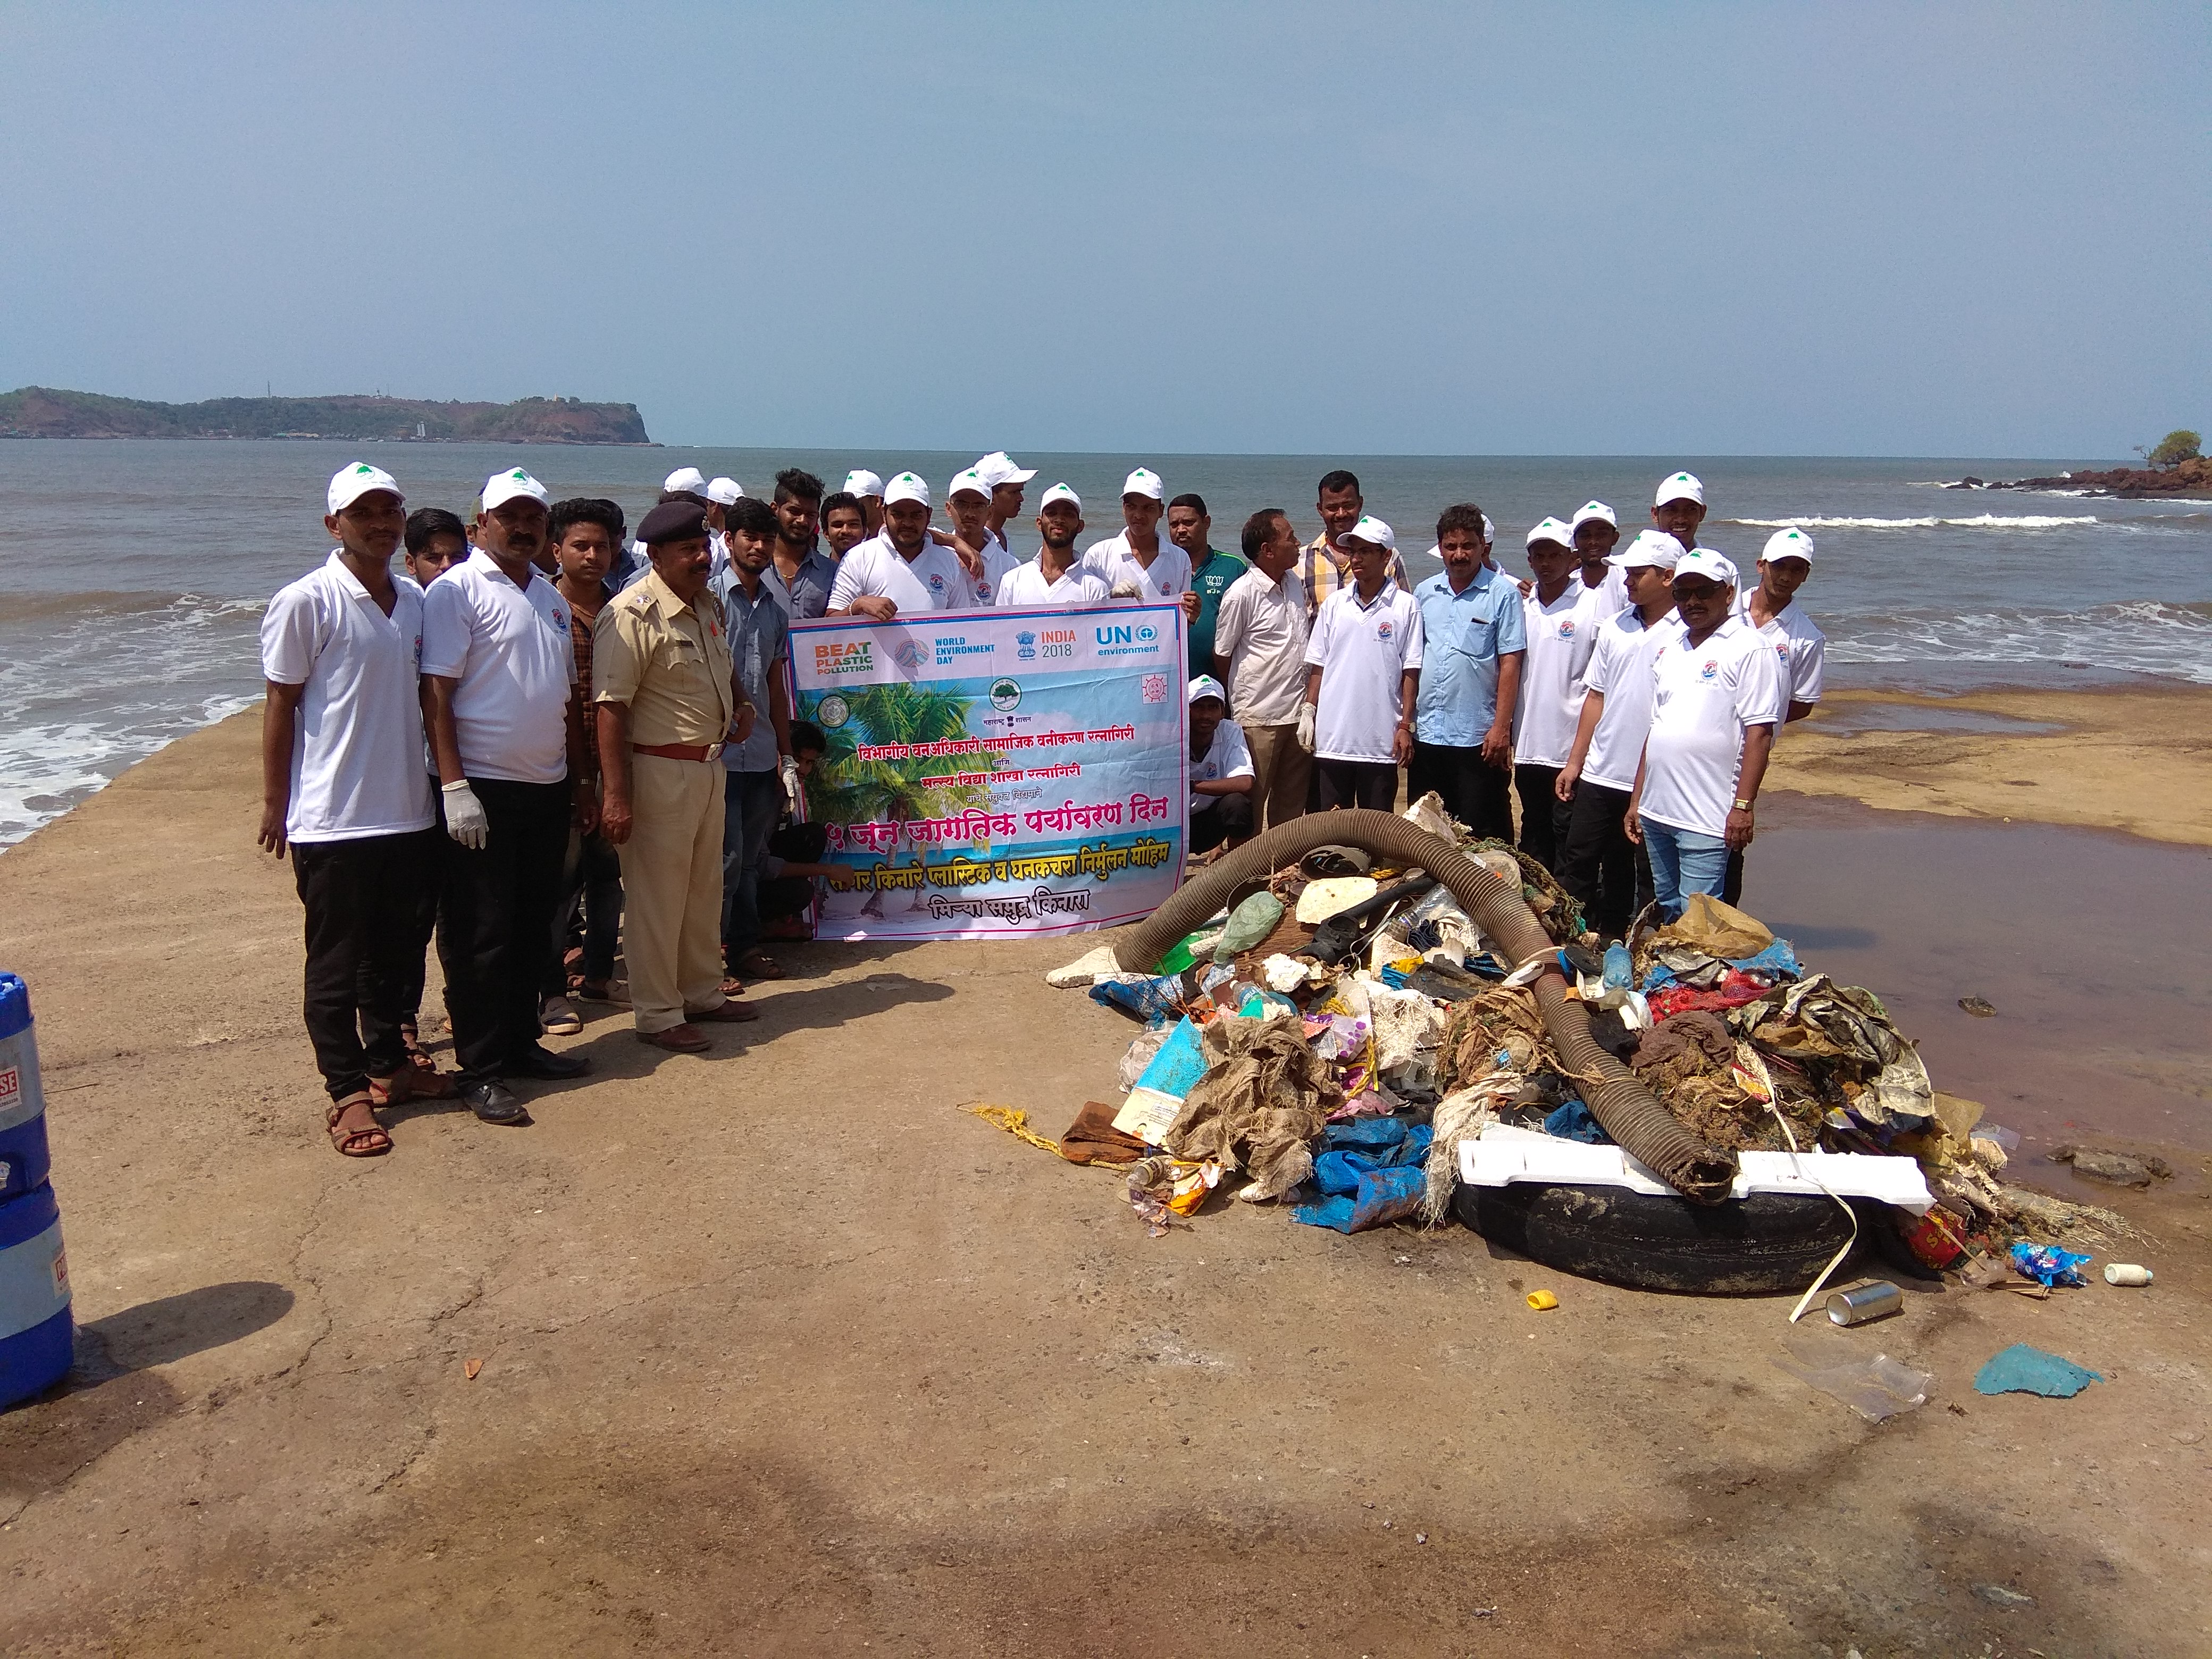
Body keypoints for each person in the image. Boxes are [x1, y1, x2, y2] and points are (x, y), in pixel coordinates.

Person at [258, 463, 447, 1158]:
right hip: (333, 819)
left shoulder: (415, 603)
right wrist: (277, 801)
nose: (380, 522)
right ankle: (346, 1093)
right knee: (335, 968)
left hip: (406, 811)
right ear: (333, 524)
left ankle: (390, 1066)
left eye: (390, 510)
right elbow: (280, 703)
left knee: (396, 961)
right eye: (364, 512)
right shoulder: (307, 600)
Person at [420, 467, 597, 1127]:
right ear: (483, 523)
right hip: (483, 790)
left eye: (534, 519)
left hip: (545, 787)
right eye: (509, 516)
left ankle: (521, 1044)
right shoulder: (457, 591)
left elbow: (564, 700)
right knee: (480, 935)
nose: (523, 528)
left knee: (532, 928)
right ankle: (480, 1067)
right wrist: (455, 785)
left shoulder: (550, 599)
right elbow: (435, 692)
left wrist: (580, 782)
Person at [593, 499, 761, 1053]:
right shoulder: (630, 614)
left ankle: (701, 992)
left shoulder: (704, 603)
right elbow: (610, 707)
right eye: (687, 549)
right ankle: (659, 1013)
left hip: (708, 767)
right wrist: (616, 796)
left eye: (703, 546)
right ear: (656, 555)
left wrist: (739, 704)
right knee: (656, 899)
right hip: (657, 771)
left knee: (700, 890)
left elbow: (723, 664)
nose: (700, 556)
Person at [1627, 550, 1787, 919]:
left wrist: (1743, 807)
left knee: (1699, 917)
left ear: (1728, 593)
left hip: (1707, 816)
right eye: (1684, 593)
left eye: (1705, 591)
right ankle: (1672, 977)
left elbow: (1760, 734)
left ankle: (1699, 978)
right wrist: (1638, 800)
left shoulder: (1751, 648)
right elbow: (1656, 729)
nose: (1693, 602)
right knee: (1666, 909)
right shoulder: (1671, 648)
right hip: (1657, 811)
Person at [1555, 530, 1684, 939]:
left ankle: (1631, 942)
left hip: (1653, 776)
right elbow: (1597, 696)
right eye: (1626, 574)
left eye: (1637, 574)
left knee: (1641, 870)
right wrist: (1575, 762)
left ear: (1667, 577)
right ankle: (1570, 937)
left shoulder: (1687, 632)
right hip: (1602, 768)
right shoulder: (1615, 626)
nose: (1627, 582)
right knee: (1579, 858)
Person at [540, 499, 627, 1036]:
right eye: (581, 546)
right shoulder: (541, 610)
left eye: (602, 546)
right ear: (557, 550)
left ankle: (598, 974)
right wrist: (579, 781)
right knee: (559, 888)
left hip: (616, 768)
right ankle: (550, 992)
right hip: (560, 769)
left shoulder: (623, 612)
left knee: (609, 881)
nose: (593, 556)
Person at [389, 506, 470, 1071]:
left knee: (460, 911)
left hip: (462, 777)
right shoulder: (403, 609)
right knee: (410, 917)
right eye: (431, 557)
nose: (444, 566)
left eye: (453, 556)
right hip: (411, 781)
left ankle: (464, 1012)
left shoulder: (465, 603)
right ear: (410, 561)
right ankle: (400, 1023)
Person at [713, 496, 798, 987]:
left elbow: (773, 686)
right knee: (721, 861)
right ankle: (711, 955)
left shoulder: (775, 605)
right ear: (729, 540)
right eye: (750, 537)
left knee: (747, 861)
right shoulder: (707, 597)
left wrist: (785, 754)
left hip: (761, 752)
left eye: (767, 538)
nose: (760, 546)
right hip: (716, 752)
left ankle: (743, 947)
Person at [1722, 525, 1826, 907]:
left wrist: (1761, 721)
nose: (1786, 576)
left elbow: (1802, 702)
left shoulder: (1806, 636)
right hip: (1693, 738)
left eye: (1796, 569)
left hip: (1745, 752)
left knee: (1728, 833)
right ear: (1761, 565)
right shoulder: (1726, 607)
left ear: (1806, 575)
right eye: (1779, 566)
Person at [1409, 503, 1525, 840]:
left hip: (1477, 736)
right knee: (1427, 832)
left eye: (1468, 546)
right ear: (1441, 548)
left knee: (1481, 834)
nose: (1459, 554)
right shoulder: (1425, 592)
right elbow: (1413, 660)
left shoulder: (1502, 594)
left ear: (1483, 547)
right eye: (1451, 546)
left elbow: (1511, 662)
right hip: (1428, 733)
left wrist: (1501, 727)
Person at [1301, 516, 1422, 811]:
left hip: (1380, 740)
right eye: (1353, 552)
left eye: (1366, 552)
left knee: (1376, 827)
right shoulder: (1335, 604)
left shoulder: (1406, 605)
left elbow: (1411, 670)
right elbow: (1318, 664)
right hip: (1333, 738)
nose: (1356, 559)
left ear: (1386, 556)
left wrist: (1406, 725)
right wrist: (1309, 710)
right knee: (1330, 825)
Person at [1211, 508, 1311, 831]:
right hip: (1258, 718)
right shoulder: (1241, 594)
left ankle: (1283, 871)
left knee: (1291, 808)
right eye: (1290, 537)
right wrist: (1238, 703)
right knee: (1253, 807)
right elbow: (1222, 653)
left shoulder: (1294, 582)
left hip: (1298, 714)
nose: (1298, 543)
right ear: (1267, 550)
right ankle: (1249, 875)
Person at [1512, 517, 1600, 873]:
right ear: (1530, 561)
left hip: (1569, 749)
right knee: (1534, 835)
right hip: (1528, 747)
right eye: (1539, 556)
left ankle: (1576, 917)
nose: (1546, 563)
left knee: (1570, 839)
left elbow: (1600, 684)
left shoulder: (1592, 606)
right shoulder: (1521, 607)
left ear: (1572, 559)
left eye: (1555, 555)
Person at [826, 473, 965, 617]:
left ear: (929, 515)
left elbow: (966, 625)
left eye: (916, 515)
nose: (907, 523)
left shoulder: (949, 560)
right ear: (884, 513)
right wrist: (857, 606)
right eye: (898, 515)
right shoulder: (858, 557)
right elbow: (830, 622)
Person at [1298, 470, 1409, 622]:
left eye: (1348, 505)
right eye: (1332, 508)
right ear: (1320, 509)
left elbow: (1404, 613)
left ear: (1360, 504)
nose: (1341, 514)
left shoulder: (1387, 556)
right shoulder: (1300, 561)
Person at [1081, 468, 1192, 605]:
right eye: (1132, 507)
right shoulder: (1098, 556)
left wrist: (1191, 615)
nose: (1138, 515)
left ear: (1161, 511)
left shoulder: (1180, 559)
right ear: (1123, 508)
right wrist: (1109, 598)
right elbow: (1085, 617)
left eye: (1148, 508)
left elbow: (1181, 618)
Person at [995, 484, 1112, 605]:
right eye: (1052, 513)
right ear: (1039, 523)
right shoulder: (1012, 582)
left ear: (1080, 526)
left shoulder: (1095, 590)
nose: (1059, 520)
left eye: (1068, 514)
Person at [1170, 494, 1247, 673]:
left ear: (1206, 523)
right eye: (1174, 525)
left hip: (1220, 682)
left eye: (1188, 523)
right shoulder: (1160, 568)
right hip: (1172, 680)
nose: (1181, 529)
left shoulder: (1233, 567)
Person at [1185, 675, 1255, 855]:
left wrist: (1192, 786)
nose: (1206, 715)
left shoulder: (1231, 730)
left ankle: (1240, 873)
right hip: (1174, 825)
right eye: (1199, 707)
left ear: (1222, 711)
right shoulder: (1171, 733)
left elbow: (1245, 782)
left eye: (1213, 708)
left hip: (1209, 822)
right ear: (1185, 709)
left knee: (1238, 804)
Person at [764, 467, 836, 620]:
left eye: (810, 515)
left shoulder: (831, 572)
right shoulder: (753, 567)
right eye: (795, 511)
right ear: (775, 510)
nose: (802, 520)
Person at [945, 467, 1020, 608]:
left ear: (990, 512)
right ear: (949, 509)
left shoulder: (1010, 567)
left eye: (979, 506)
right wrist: (954, 542)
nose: (970, 513)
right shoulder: (935, 552)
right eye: (962, 505)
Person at [973, 450, 1037, 565]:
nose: (1021, 498)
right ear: (991, 495)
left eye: (1020, 491)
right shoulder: (979, 542)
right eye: (1014, 492)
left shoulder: (1002, 536)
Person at [1571, 500, 1628, 613]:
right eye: (1585, 535)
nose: (1593, 542)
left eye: (1601, 535)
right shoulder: (1568, 583)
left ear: (1615, 538)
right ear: (1574, 542)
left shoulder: (1627, 580)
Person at [400, 508, 467, 592]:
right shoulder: (405, 604)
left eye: (457, 557)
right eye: (433, 558)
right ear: (411, 564)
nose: (447, 565)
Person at [1653, 470, 1706, 549]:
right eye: (1671, 510)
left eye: (1690, 510)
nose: (1680, 520)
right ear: (1655, 514)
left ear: (1702, 513)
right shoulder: (1635, 559)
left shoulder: (1713, 561)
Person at [820, 491, 869, 559]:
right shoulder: (817, 569)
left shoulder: (877, 568)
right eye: (838, 525)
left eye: (853, 524)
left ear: (864, 531)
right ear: (826, 533)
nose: (845, 531)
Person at [842, 469, 886, 538]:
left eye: (856, 502)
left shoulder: (893, 542)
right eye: (847, 503)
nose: (849, 509)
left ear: (877, 502)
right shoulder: (862, 539)